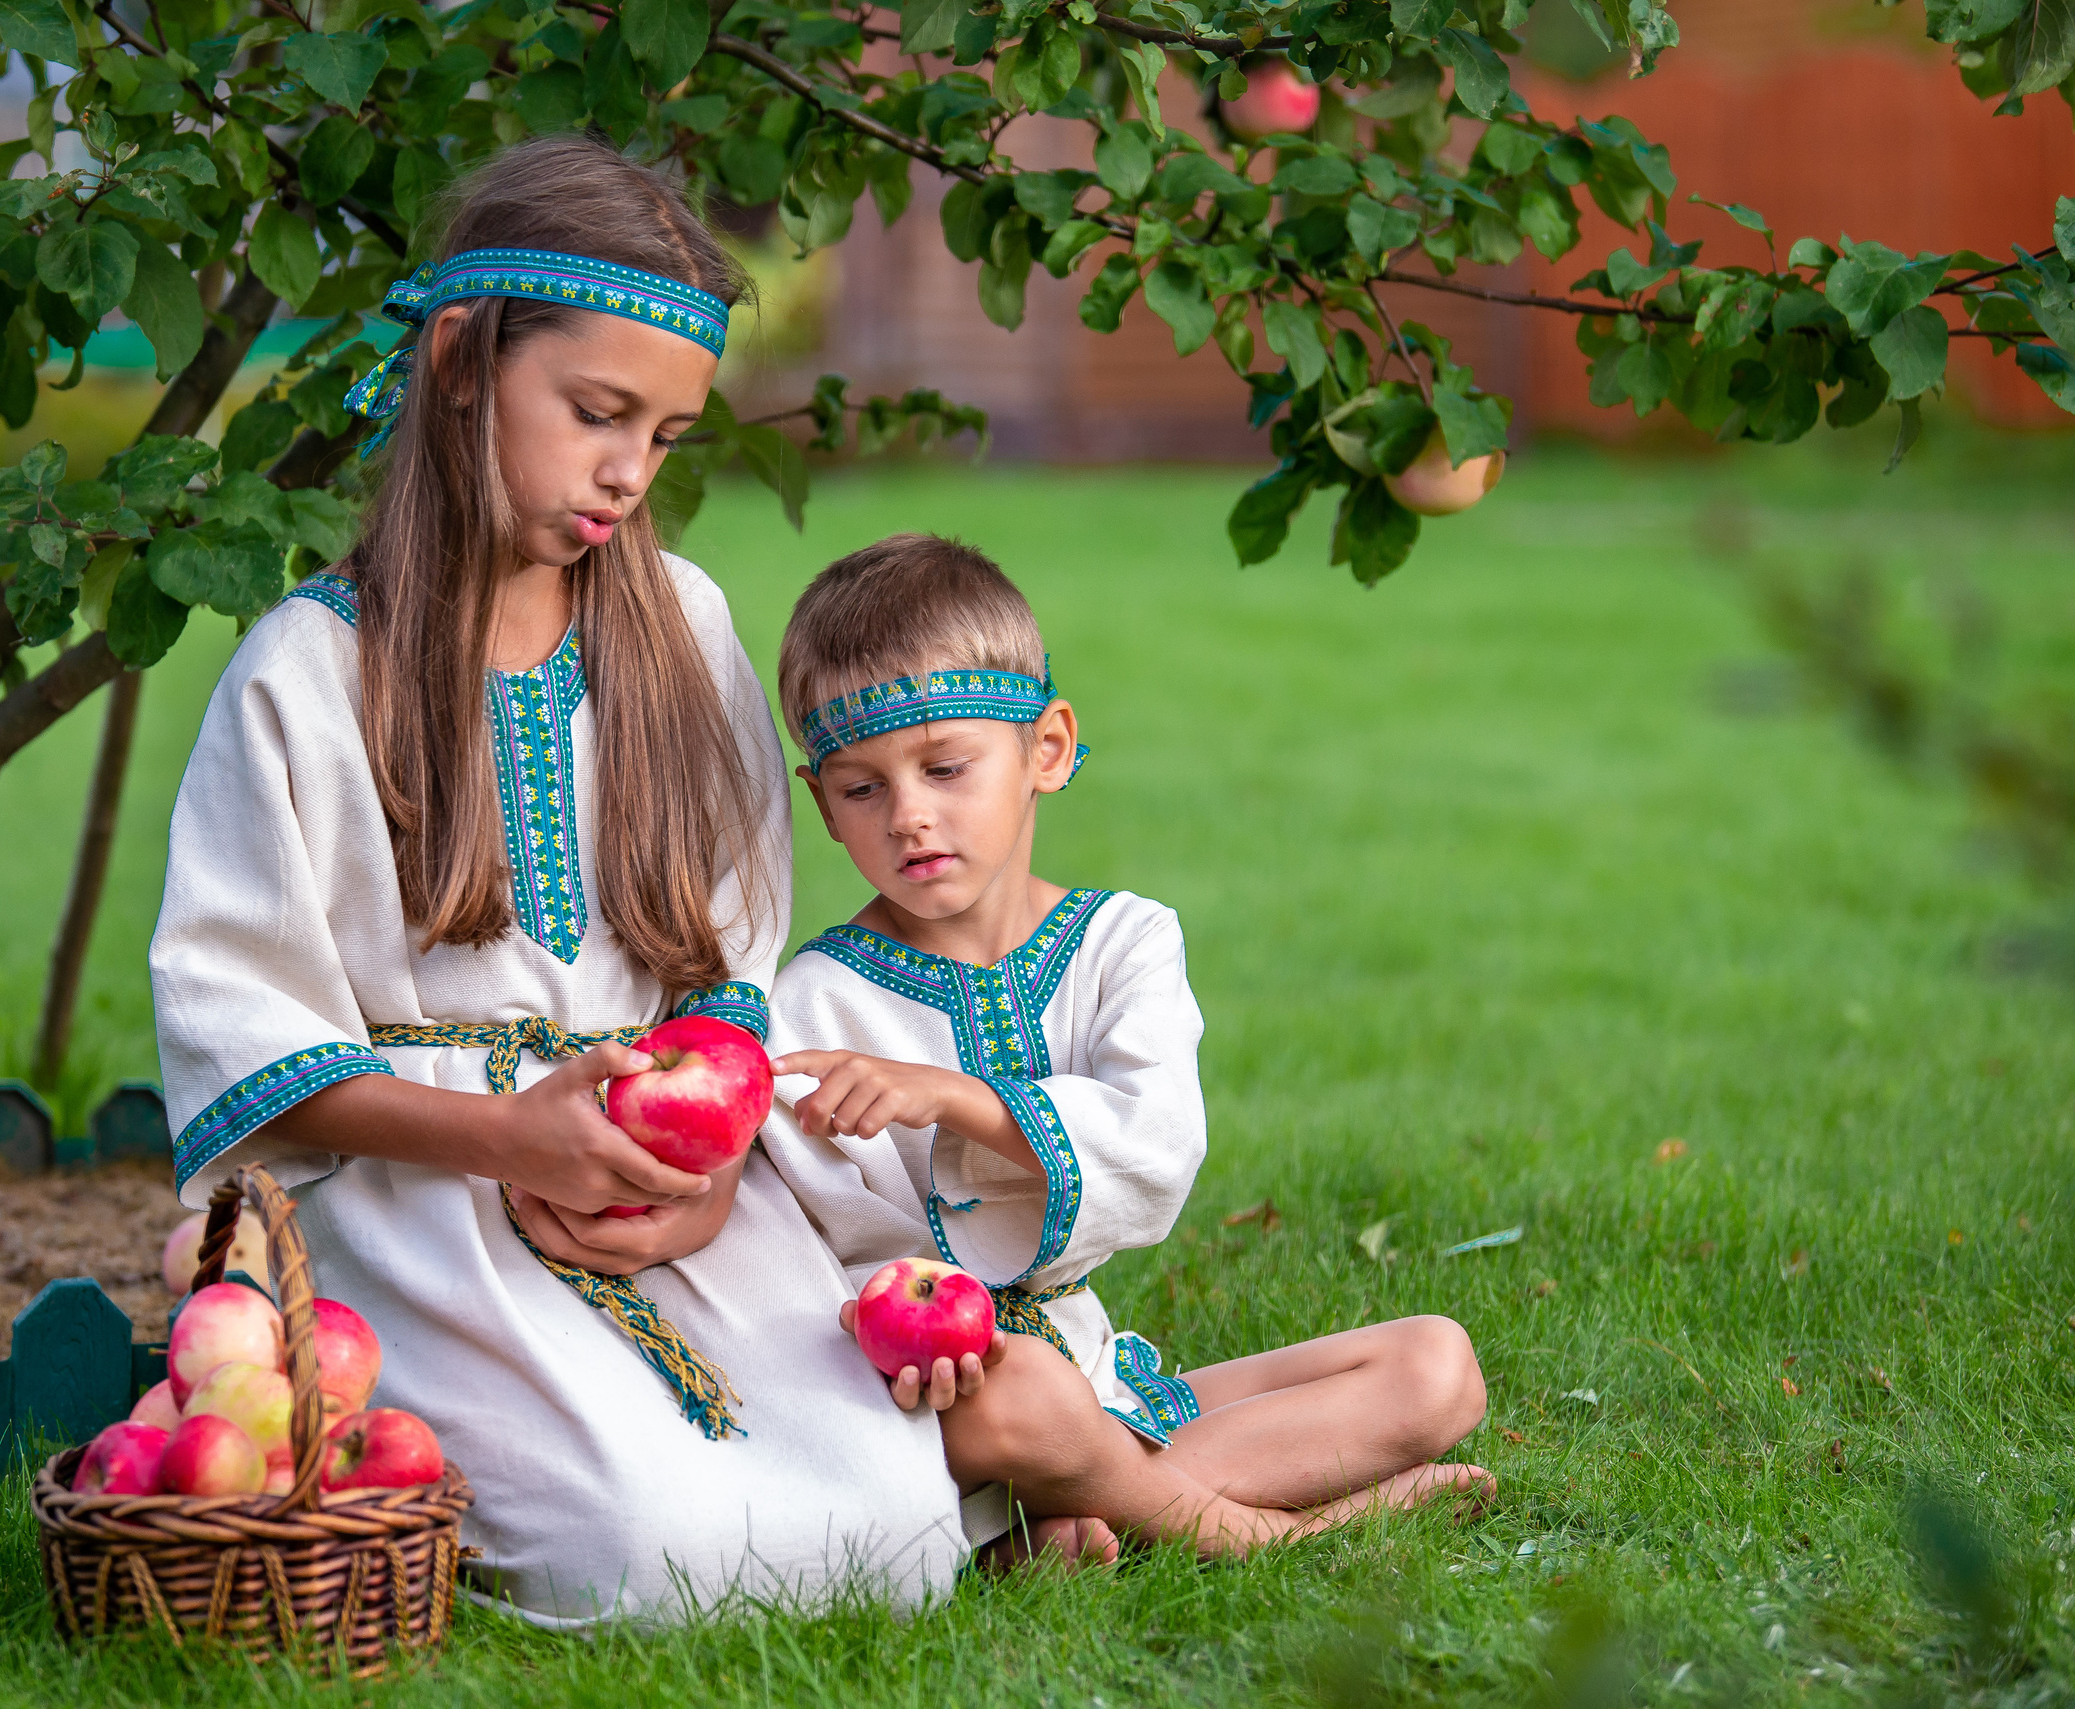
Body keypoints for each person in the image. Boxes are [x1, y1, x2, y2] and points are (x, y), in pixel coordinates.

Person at [149, 138, 965, 1625]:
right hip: (425, 1195)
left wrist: (707, 1176)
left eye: (663, 437)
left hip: (669, 1177)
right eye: (596, 414)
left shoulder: (683, 627)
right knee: (651, 1557)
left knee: (903, 1536)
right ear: (462, 362)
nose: (626, 473)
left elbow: (727, 962)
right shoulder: (311, 673)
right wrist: (506, 1137)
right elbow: (242, 1032)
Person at [763, 534, 1493, 1564]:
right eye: (860, 787)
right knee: (1021, 1402)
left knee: (1437, 1363)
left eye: (944, 766)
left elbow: (1154, 1150)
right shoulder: (813, 1001)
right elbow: (833, 1246)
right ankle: (1250, 1532)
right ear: (819, 799)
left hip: (1096, 1372)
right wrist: (918, 1344)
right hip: (961, 1404)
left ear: (1047, 748)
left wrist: (956, 1098)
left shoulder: (1125, 940)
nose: (910, 815)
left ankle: (1082, 1512)